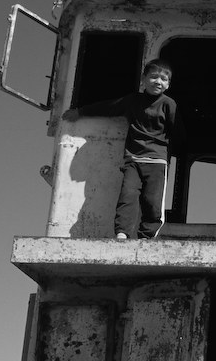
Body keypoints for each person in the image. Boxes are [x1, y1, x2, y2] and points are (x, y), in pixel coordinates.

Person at [62, 58, 184, 238]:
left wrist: (178, 152)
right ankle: (122, 233)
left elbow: (178, 131)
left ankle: (147, 235)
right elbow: (108, 107)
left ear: (168, 84)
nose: (158, 82)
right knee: (127, 196)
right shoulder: (133, 101)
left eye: (163, 79)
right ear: (143, 79)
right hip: (133, 160)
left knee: (152, 200)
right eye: (153, 77)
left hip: (157, 162)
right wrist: (80, 112)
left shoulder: (168, 104)